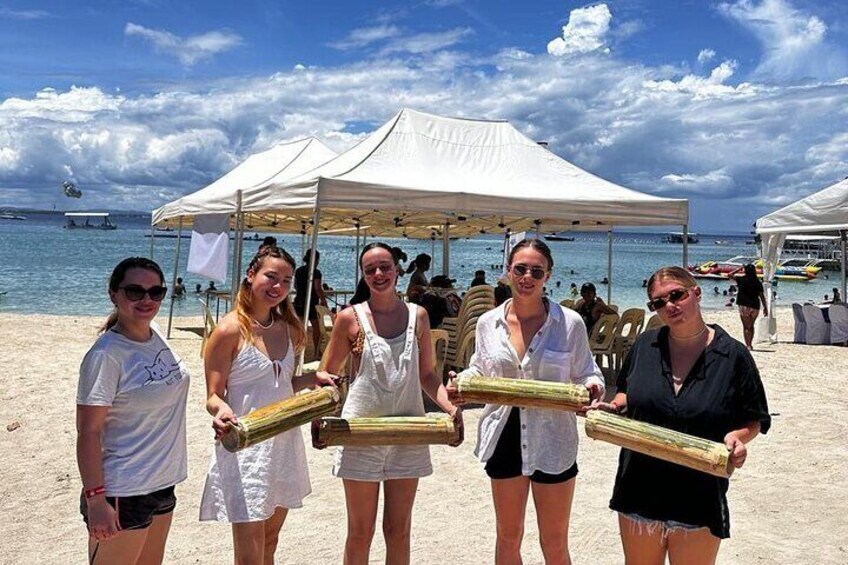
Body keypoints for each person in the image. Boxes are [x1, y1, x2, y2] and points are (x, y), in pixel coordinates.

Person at [594, 266, 770, 565]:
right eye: (658, 303)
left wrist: (738, 439)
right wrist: (613, 409)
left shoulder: (733, 355)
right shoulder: (644, 347)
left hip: (698, 494)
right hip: (639, 487)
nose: (669, 306)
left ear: (696, 293)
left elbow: (754, 418)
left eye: (677, 295)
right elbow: (625, 392)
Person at [447, 238, 604, 564]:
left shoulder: (569, 323)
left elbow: (588, 372)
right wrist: (462, 382)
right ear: (508, 272)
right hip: (503, 434)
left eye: (536, 270)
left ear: (548, 275)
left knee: (555, 543)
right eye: (520, 269)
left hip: (554, 440)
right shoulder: (488, 323)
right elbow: (479, 368)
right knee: (507, 537)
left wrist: (592, 388)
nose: (527, 277)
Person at [316, 242, 463, 565]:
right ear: (364, 276)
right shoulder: (349, 318)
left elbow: (427, 376)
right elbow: (327, 373)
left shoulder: (419, 316)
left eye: (385, 267)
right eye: (370, 270)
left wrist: (451, 408)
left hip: (408, 431)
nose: (379, 274)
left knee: (398, 530)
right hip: (359, 434)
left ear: (397, 269)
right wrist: (323, 407)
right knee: (360, 531)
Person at [200, 245, 337, 563]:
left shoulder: (289, 329)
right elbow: (212, 394)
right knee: (249, 549)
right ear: (251, 276)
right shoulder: (228, 330)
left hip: (284, 443)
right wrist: (220, 410)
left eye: (286, 280)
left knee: (270, 540)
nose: (278, 286)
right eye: (271, 277)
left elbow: (284, 384)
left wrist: (315, 379)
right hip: (245, 446)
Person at [76, 257, 190, 564]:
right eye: (135, 291)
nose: (146, 300)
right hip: (123, 489)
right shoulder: (106, 355)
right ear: (114, 293)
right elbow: (89, 431)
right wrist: (96, 499)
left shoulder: (156, 338)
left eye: (156, 292)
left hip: (162, 482)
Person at [293, 250, 328, 357]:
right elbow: (317, 288)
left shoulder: (298, 271)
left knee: (298, 328)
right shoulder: (316, 272)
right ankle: (316, 352)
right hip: (312, 303)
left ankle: (296, 351)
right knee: (316, 329)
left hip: (299, 301)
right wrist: (323, 300)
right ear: (316, 260)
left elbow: (295, 286)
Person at [733, 264, 768, 350]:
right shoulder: (757, 282)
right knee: (751, 326)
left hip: (744, 305)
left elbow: (729, 275)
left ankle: (748, 345)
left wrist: (738, 269)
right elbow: (761, 296)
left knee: (746, 326)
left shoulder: (741, 280)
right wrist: (765, 307)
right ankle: (750, 344)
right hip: (755, 305)